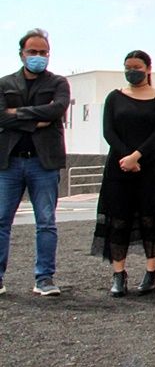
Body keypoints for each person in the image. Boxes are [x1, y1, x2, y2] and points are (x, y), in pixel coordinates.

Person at [90, 50, 155, 297]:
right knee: (118, 219)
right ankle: (118, 274)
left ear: (148, 68)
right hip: (118, 166)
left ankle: (151, 272)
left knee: (151, 218)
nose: (131, 71)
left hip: (150, 166)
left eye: (137, 66)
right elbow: (109, 132)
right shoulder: (114, 97)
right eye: (128, 66)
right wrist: (126, 157)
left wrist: (137, 156)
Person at [0, 28, 70, 297]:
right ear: (22, 54)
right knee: (2, 221)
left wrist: (17, 114)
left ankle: (44, 278)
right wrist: (37, 120)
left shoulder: (58, 83)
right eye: (33, 52)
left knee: (46, 222)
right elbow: (0, 118)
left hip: (44, 162)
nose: (38, 57)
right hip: (9, 162)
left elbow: (57, 109)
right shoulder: (4, 84)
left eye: (43, 52)